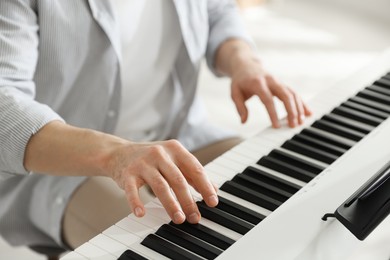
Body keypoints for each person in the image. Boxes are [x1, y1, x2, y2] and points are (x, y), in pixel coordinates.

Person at [0, 0, 311, 255]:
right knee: (173, 245)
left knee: (292, 194)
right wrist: (116, 154)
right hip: (66, 164)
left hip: (181, 132)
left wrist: (243, 60)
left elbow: (217, 10)